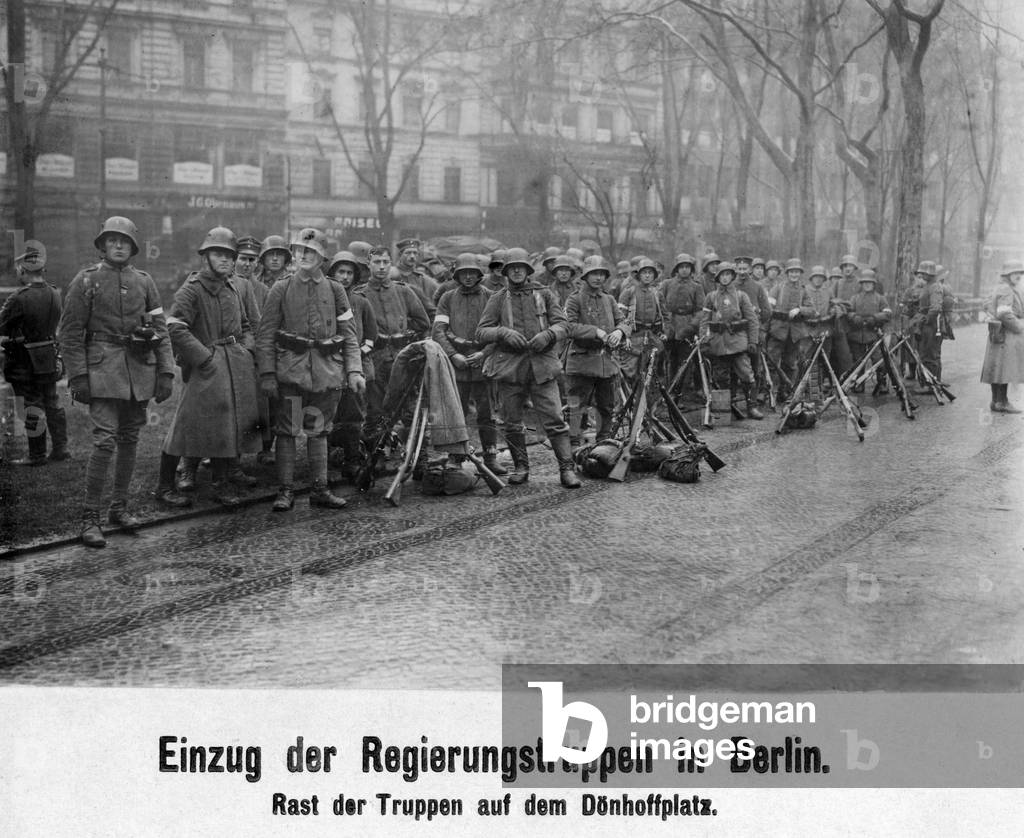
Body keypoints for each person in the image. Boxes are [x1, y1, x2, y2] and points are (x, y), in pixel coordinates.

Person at [59, 216, 175, 547]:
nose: (119, 245)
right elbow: (69, 333)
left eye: (124, 241)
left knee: (129, 438)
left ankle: (119, 508)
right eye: (113, 240)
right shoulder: (86, 280)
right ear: (103, 245)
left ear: (133, 247)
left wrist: (165, 372)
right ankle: (89, 517)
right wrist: (79, 375)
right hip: (102, 370)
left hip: (138, 369)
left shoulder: (145, 282)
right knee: (104, 440)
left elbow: (161, 329)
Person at [255, 228, 364, 511]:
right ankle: (286, 490)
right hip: (292, 373)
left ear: (322, 257)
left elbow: (349, 333)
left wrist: (354, 370)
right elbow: (265, 334)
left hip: (326, 374)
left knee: (319, 431)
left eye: (311, 251)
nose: (304, 255)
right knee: (288, 430)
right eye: (300, 250)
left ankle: (319, 489)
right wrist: (267, 373)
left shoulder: (335, 289)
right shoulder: (282, 288)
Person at [155, 227, 261, 508]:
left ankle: (221, 483)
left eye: (229, 255)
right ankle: (164, 486)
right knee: (184, 426)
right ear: (206, 257)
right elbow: (175, 327)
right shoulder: (192, 289)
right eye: (218, 254)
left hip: (234, 364)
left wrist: (246, 348)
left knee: (229, 427)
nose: (224, 260)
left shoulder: (233, 288)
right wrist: (203, 357)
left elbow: (247, 325)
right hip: (206, 366)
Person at [475, 247, 580, 488]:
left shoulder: (545, 294)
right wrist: (502, 333)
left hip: (542, 366)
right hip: (510, 368)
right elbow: (481, 332)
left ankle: (566, 469)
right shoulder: (498, 298)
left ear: (528, 270)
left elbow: (563, 324)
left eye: (521, 268)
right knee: (512, 421)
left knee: (554, 418)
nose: (517, 272)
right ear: (506, 272)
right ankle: (521, 467)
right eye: (512, 269)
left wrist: (549, 335)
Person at [432, 253, 506, 474]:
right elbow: (438, 331)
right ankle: (456, 455)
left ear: (478, 274)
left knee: (487, 413)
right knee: (457, 411)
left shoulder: (492, 297)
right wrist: (454, 355)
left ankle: (490, 456)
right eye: (463, 273)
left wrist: (484, 353)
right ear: (457, 275)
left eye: (472, 273)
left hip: (484, 363)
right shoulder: (447, 298)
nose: (468, 278)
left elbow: (500, 332)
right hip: (458, 364)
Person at [0, 240, 69, 465]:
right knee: (52, 402)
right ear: (41, 269)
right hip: (48, 356)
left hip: (24, 360)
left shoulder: (19, 298)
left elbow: (2, 325)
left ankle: (37, 455)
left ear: (22, 270)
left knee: (32, 404)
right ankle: (61, 449)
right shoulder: (55, 293)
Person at [361, 246, 431, 433]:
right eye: (377, 262)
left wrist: (403, 329)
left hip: (402, 357)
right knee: (376, 409)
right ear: (368, 265)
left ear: (391, 264)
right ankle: (378, 456)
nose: (382, 267)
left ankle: (417, 458)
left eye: (385, 262)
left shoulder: (403, 291)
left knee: (409, 408)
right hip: (375, 358)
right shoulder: (360, 295)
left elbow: (423, 322)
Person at [564, 256, 629, 445]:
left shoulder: (609, 299)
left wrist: (619, 331)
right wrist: (596, 332)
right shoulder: (574, 299)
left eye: (601, 274)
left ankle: (604, 442)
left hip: (606, 363)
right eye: (594, 273)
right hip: (581, 361)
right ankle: (574, 443)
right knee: (577, 406)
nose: (598, 278)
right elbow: (569, 327)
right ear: (585, 276)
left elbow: (624, 321)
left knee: (606, 406)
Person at [325, 250, 378, 481]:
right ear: (332, 273)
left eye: (349, 273)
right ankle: (324, 459)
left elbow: (371, 338)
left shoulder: (361, 302)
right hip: (328, 367)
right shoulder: (323, 298)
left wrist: (355, 355)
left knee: (354, 416)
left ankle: (352, 460)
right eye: (340, 272)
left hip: (356, 368)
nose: (345, 277)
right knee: (324, 414)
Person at [698, 261, 763, 419]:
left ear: (732, 276)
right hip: (719, 344)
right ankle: (724, 410)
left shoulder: (741, 296)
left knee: (747, 375)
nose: (725, 278)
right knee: (720, 378)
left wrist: (753, 341)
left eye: (728, 274)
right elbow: (704, 321)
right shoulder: (711, 297)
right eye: (722, 275)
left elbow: (752, 320)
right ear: (718, 278)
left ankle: (751, 407)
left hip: (739, 343)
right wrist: (704, 340)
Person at [981, 260, 1024, 413]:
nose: (1018, 276)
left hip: (997, 333)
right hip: (1007, 334)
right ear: (1007, 275)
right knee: (1005, 369)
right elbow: (1004, 313)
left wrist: (992, 315)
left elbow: (986, 303)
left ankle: (996, 401)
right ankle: (1002, 402)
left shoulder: (999, 287)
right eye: (1015, 273)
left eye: (1020, 273)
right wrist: (1019, 326)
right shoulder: (1006, 289)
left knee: (997, 368)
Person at [767, 258, 815, 390]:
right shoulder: (777, 288)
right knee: (771, 362)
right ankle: (768, 392)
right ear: (787, 273)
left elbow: (812, 310)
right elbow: (768, 308)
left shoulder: (803, 290)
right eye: (792, 272)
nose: (794, 275)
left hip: (794, 334)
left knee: (790, 364)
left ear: (800, 273)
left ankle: (786, 391)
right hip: (777, 331)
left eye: (797, 272)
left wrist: (800, 309)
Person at [658, 252, 704, 388]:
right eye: (681, 266)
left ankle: (679, 392)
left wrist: (692, 326)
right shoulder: (667, 284)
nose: (684, 269)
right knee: (669, 359)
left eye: (687, 267)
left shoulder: (697, 287)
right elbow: (660, 304)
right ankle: (667, 389)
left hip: (687, 325)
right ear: (676, 269)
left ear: (691, 269)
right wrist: (665, 325)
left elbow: (700, 310)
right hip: (669, 324)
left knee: (685, 361)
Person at [618, 257, 664, 385]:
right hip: (633, 335)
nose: (647, 276)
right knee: (630, 370)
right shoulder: (629, 292)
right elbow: (621, 316)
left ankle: (649, 401)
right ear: (639, 275)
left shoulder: (657, 293)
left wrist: (663, 332)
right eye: (644, 273)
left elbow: (664, 315)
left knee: (651, 371)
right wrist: (624, 335)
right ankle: (629, 401)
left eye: (650, 273)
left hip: (651, 336)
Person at [845, 268, 892, 394]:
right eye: (864, 282)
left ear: (874, 284)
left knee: (878, 359)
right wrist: (854, 317)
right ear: (861, 284)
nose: (867, 285)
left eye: (869, 282)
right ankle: (859, 383)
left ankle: (881, 383)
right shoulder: (854, 298)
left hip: (874, 334)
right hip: (857, 334)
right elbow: (848, 312)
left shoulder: (880, 298)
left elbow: (888, 314)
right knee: (858, 360)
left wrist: (875, 318)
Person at [910, 259, 954, 392]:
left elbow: (935, 308)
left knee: (929, 354)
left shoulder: (934, 286)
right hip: (929, 323)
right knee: (929, 353)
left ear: (930, 273)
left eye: (924, 273)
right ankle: (933, 383)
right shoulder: (929, 285)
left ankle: (931, 385)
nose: (921, 275)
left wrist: (925, 320)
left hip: (931, 325)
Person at [394, 238, 438, 319]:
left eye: (415, 253)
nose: (412, 256)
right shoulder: (392, 275)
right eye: (408, 253)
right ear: (400, 255)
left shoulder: (424, 280)